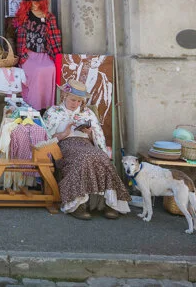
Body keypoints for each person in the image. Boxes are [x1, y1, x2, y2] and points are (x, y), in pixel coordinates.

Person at [42, 80, 130, 220]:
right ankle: (78, 205)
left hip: (86, 144)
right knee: (82, 158)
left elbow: (98, 136)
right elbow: (45, 138)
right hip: (65, 145)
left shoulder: (88, 112)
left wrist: (89, 133)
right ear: (64, 95)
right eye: (73, 100)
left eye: (79, 101)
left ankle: (110, 204)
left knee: (102, 158)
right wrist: (63, 134)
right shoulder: (53, 112)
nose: (76, 104)